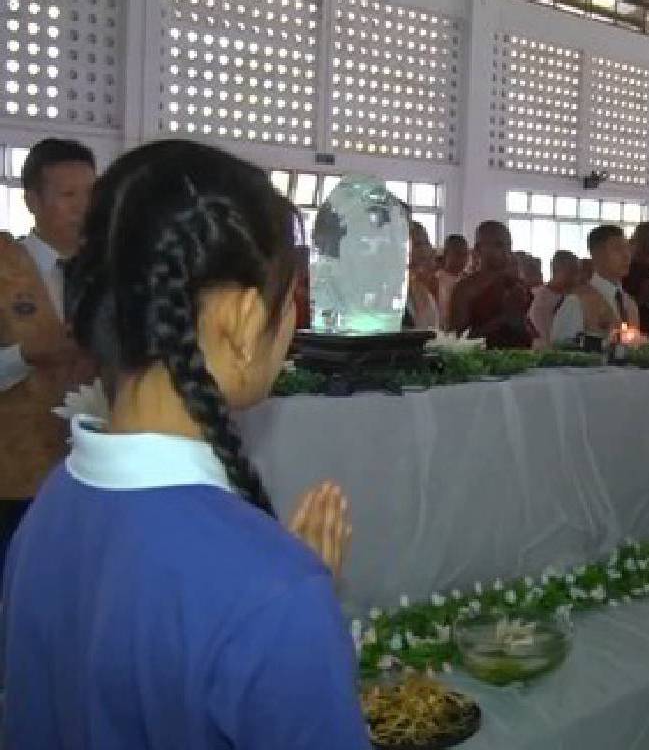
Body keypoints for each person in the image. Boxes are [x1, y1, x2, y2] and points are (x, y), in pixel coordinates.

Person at [4, 140, 368, 748]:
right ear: (245, 321)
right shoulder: (274, 593)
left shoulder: (50, 504)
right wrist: (300, 619)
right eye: (289, 306)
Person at [0, 138, 98, 570]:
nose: (82, 209)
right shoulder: (5, 268)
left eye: (91, 195)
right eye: (67, 196)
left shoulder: (108, 273)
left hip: (92, 474)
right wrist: (26, 355)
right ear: (33, 200)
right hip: (15, 480)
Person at [447, 221, 533, 348]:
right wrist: (503, 319)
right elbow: (458, 340)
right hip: (480, 361)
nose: (506, 252)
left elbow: (529, 331)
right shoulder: (465, 289)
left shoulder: (515, 284)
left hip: (518, 357)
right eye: (499, 245)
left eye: (508, 246)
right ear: (478, 249)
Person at [550, 225, 637, 345]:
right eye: (618, 249)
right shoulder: (577, 301)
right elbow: (561, 347)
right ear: (597, 255)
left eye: (627, 249)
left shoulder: (629, 303)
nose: (626, 256)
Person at [528, 250, 578, 350]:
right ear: (556, 270)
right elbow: (546, 338)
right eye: (571, 272)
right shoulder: (541, 300)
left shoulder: (572, 296)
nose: (575, 277)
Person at [405, 222, 440, 330]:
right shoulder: (394, 289)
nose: (424, 249)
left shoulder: (422, 287)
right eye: (417, 244)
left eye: (426, 243)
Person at [436, 233, 470, 325]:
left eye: (465, 254)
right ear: (446, 253)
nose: (463, 259)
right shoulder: (436, 280)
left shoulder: (469, 279)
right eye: (458, 254)